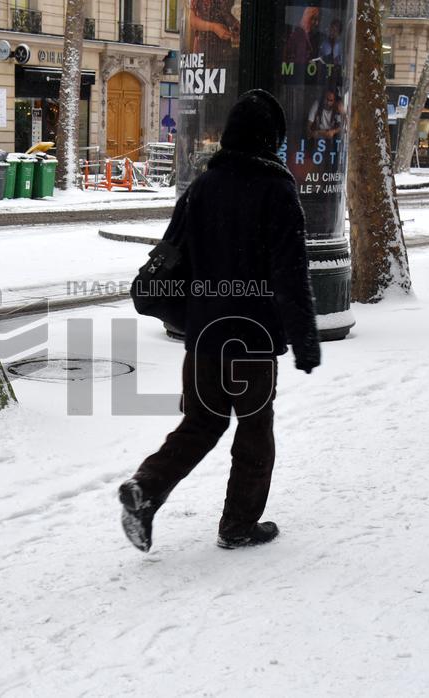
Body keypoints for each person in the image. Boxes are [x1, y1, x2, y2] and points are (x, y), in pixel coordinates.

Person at [119, 90, 321, 552]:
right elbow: (291, 275)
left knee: (201, 423)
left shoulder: (202, 189)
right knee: (254, 432)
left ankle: (145, 489)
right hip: (250, 343)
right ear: (271, 139)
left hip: (204, 337)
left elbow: (172, 257)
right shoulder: (277, 190)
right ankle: (238, 526)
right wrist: (304, 340)